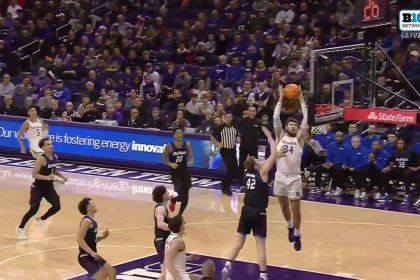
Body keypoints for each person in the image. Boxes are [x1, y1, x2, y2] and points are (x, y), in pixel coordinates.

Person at [222, 126, 281, 280]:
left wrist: (276, 155)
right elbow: (273, 155)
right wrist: (269, 136)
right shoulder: (262, 172)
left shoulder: (248, 172)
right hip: (258, 211)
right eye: (257, 159)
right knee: (260, 246)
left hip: (246, 210)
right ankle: (263, 276)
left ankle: (227, 265)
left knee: (238, 243)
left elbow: (271, 158)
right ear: (255, 164)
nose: (259, 160)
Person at [273, 85, 308, 251]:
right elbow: (275, 118)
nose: (294, 126)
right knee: (284, 207)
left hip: (294, 177)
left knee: (296, 209)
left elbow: (306, 119)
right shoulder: (280, 135)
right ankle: (289, 225)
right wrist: (280, 97)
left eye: (296, 124)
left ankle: (298, 233)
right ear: (286, 127)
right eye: (291, 124)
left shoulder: (300, 139)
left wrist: (301, 99)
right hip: (280, 176)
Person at [16, 137, 68, 240]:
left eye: (51, 144)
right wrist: (46, 177)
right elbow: (34, 174)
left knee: (57, 206)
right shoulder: (41, 159)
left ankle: (42, 219)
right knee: (33, 209)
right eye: (48, 144)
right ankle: (20, 228)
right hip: (38, 187)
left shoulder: (55, 157)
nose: (51, 146)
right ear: (43, 147)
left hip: (48, 187)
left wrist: (62, 176)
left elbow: (54, 170)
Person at [77, 197, 116, 280]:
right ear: (89, 209)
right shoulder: (87, 221)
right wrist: (92, 253)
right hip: (85, 257)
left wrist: (102, 237)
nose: (94, 204)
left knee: (111, 271)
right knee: (101, 277)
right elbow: (79, 239)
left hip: (92, 256)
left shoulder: (93, 221)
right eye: (92, 203)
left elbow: (91, 240)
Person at [161, 128, 193, 215]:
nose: (180, 135)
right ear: (174, 135)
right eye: (177, 133)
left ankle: (180, 215)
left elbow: (191, 157)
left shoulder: (187, 144)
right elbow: (163, 158)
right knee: (178, 190)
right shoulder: (169, 146)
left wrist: (190, 161)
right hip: (175, 172)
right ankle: (173, 200)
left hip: (185, 171)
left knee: (186, 197)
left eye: (181, 133)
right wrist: (170, 164)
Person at [164, 215, 200, 280]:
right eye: (183, 223)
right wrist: (177, 277)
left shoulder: (171, 237)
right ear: (180, 227)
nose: (184, 224)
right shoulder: (177, 241)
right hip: (178, 276)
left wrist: (189, 258)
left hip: (173, 275)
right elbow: (167, 260)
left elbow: (175, 257)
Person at [211, 112, 238, 196]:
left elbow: (237, 136)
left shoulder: (235, 126)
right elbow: (212, 136)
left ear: (232, 118)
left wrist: (238, 139)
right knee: (230, 167)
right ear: (224, 118)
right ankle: (225, 187)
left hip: (232, 149)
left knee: (234, 168)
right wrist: (216, 143)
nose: (229, 119)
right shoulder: (220, 127)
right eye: (227, 117)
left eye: (230, 117)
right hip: (224, 150)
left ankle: (225, 184)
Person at [153, 185, 171, 280]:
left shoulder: (163, 207)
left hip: (163, 240)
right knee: (165, 272)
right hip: (161, 240)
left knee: (165, 271)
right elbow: (160, 224)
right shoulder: (160, 208)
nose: (168, 193)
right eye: (166, 192)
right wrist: (173, 228)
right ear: (163, 195)